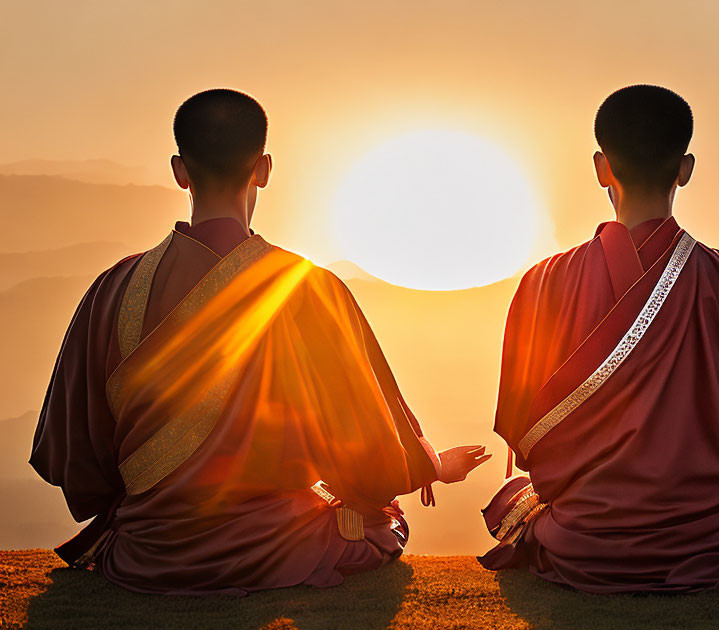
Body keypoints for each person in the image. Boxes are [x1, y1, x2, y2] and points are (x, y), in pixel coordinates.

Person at [30, 88, 489, 594]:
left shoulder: (114, 289)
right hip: (277, 548)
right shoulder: (307, 289)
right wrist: (433, 466)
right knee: (383, 521)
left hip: (147, 551)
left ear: (179, 170)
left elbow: (73, 455)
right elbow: (370, 458)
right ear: (264, 169)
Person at [478, 84, 719, 593]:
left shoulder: (542, 284)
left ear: (602, 167)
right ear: (685, 169)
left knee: (516, 496)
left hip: (587, 541)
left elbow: (521, 431)